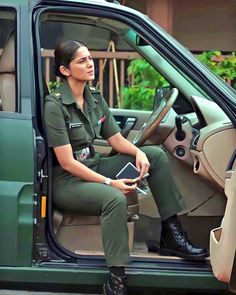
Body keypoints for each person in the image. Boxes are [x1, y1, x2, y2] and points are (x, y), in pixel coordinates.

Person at [44, 40, 208, 295]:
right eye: (82, 61)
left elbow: (116, 140)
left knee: (155, 155)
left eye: (90, 58)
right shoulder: (54, 105)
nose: (90, 64)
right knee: (114, 199)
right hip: (67, 180)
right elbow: (67, 162)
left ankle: (171, 234)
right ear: (65, 70)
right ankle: (116, 279)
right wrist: (110, 183)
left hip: (94, 165)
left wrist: (139, 152)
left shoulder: (94, 97)